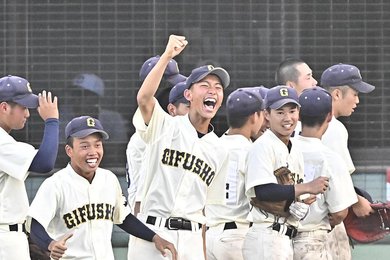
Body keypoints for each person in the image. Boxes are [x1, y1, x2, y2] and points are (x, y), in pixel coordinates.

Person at [130, 34, 230, 260]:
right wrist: (166, 56)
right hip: (154, 231)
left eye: (218, 87)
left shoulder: (220, 149)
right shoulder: (167, 125)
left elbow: (205, 208)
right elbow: (145, 98)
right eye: (204, 85)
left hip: (192, 238)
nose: (212, 91)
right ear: (188, 94)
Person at [27, 116, 177, 260]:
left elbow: (123, 218)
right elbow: (34, 224)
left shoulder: (109, 179)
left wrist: (154, 237)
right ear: (69, 150)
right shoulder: (56, 184)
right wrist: (50, 244)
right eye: (84, 146)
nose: (93, 152)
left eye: (97, 145)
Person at [242, 85, 329, 260]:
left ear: (299, 112)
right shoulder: (263, 146)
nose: (287, 118)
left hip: (284, 237)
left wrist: (301, 203)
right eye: (280, 112)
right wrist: (306, 187)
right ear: (267, 114)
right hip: (265, 237)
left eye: (292, 111)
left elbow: (291, 197)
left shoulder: (294, 148)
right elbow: (263, 191)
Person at [292, 87, 358, 260]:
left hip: (281, 238)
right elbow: (340, 213)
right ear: (329, 116)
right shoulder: (330, 158)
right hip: (312, 239)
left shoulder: (284, 149)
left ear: (298, 116)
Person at [0, 75, 59, 260]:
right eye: (23, 107)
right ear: (4, 107)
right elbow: (44, 163)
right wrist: (52, 121)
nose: (27, 114)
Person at [320, 63, 375, 260]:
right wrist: (357, 201)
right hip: (325, 221)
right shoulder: (333, 127)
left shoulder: (303, 122)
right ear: (336, 94)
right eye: (355, 93)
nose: (358, 100)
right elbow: (337, 179)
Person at [205, 87, 265, 260]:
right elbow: (259, 197)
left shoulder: (212, 146)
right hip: (236, 237)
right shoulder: (252, 151)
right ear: (255, 116)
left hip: (208, 236)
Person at [60, 73, 128, 142]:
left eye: (83, 94)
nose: (77, 98)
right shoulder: (62, 117)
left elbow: (119, 148)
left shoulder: (112, 119)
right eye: (74, 93)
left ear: (96, 98)